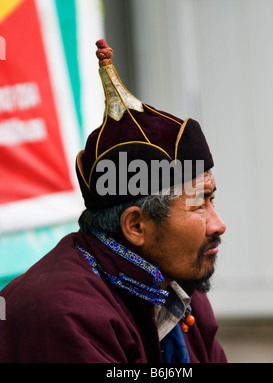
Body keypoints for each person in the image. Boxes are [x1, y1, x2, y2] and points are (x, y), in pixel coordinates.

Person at [0, 39, 227, 363]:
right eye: (199, 204)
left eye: (212, 199)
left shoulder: (179, 286)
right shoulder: (65, 314)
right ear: (136, 225)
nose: (218, 224)